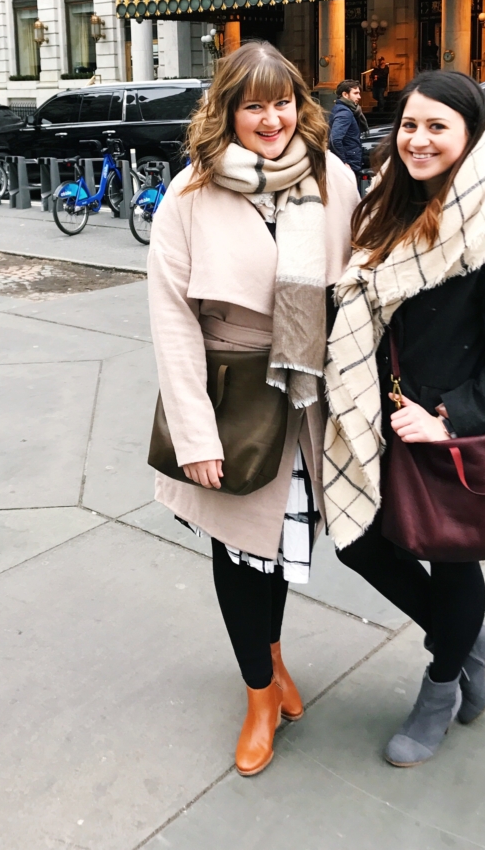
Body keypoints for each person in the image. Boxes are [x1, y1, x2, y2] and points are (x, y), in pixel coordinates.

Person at [321, 70, 485, 767]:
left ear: (471, 136)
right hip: (375, 416)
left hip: (445, 431)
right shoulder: (384, 210)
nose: (418, 140)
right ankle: (468, 636)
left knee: (451, 561)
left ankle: (441, 683)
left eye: (437, 127)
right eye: (410, 124)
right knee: (356, 539)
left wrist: (448, 418)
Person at [147, 41, 359, 777]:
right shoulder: (189, 195)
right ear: (228, 111)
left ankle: (271, 660)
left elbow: (360, 287)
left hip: (308, 393)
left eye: (283, 102)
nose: (271, 120)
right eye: (253, 104)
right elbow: (171, 320)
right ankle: (260, 693)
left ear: (300, 105)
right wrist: (195, 435)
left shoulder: (333, 178)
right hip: (231, 393)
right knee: (240, 551)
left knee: (282, 544)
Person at [328, 80, 368, 182]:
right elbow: (335, 139)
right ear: (345, 94)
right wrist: (344, 162)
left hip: (349, 160)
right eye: (355, 93)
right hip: (349, 163)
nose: (359, 97)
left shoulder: (343, 109)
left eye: (359, 93)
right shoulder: (345, 113)